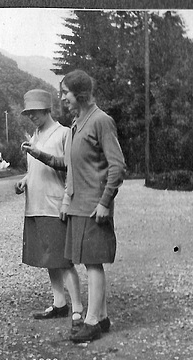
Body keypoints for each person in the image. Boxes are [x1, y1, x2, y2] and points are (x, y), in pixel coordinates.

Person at [59, 70, 126, 343]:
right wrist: (67, 199)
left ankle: (91, 321)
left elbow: (117, 166)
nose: (62, 98)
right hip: (78, 205)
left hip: (94, 206)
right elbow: (72, 168)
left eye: (66, 93)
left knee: (93, 263)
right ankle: (103, 316)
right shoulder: (77, 124)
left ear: (81, 94)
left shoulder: (101, 121)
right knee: (89, 263)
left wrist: (105, 202)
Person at [15, 89, 83, 333]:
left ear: (47, 110)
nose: (32, 116)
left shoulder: (64, 133)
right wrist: (25, 179)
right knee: (48, 258)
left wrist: (67, 200)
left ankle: (77, 308)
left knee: (63, 260)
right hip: (35, 204)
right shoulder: (35, 135)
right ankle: (59, 303)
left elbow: (69, 166)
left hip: (54, 205)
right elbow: (36, 169)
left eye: (35, 112)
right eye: (29, 113)